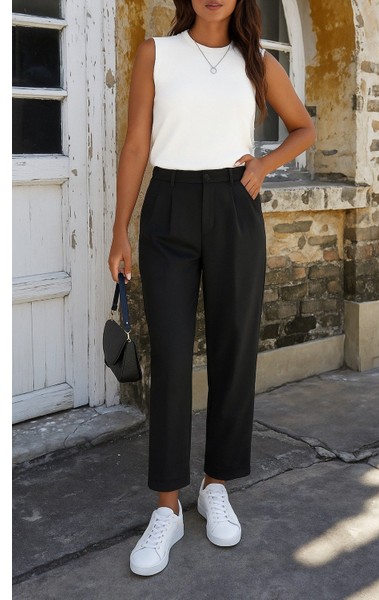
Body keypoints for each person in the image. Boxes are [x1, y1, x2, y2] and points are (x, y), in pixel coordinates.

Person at [108, 0, 316, 577]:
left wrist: (265, 164)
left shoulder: (259, 62)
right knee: (171, 357)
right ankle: (167, 507)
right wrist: (120, 229)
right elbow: (136, 144)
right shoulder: (157, 53)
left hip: (234, 206)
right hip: (168, 207)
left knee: (233, 350)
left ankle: (216, 485)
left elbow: (304, 128)